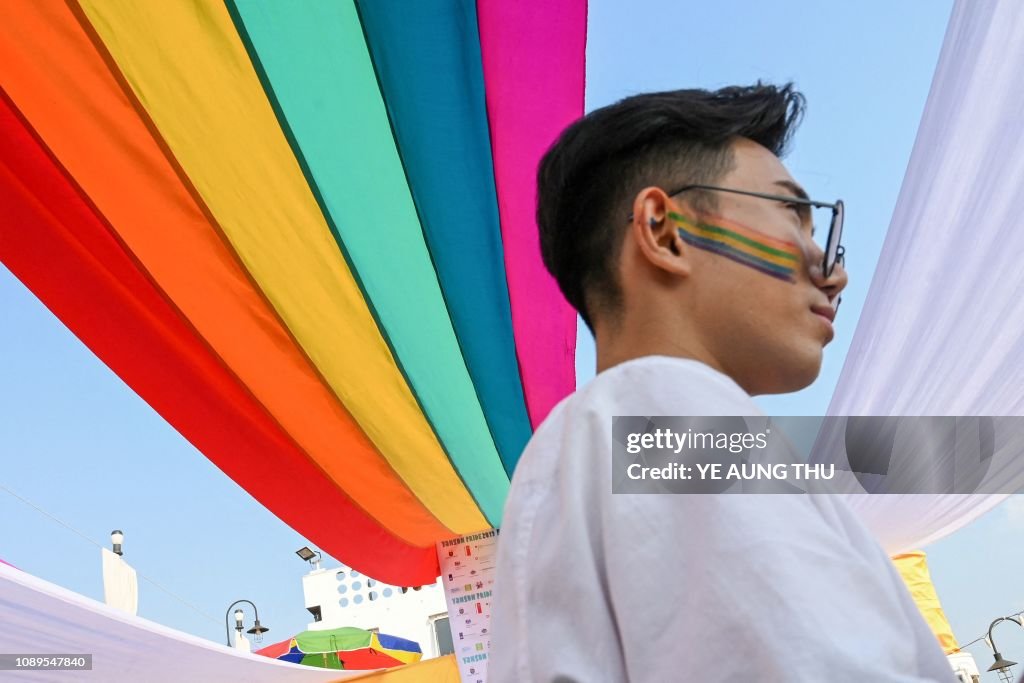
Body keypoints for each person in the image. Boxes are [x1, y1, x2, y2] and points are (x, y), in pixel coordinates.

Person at [490, 84, 955, 682]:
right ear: (664, 232)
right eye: (794, 215)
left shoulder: (615, 430)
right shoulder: (663, 412)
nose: (832, 271)